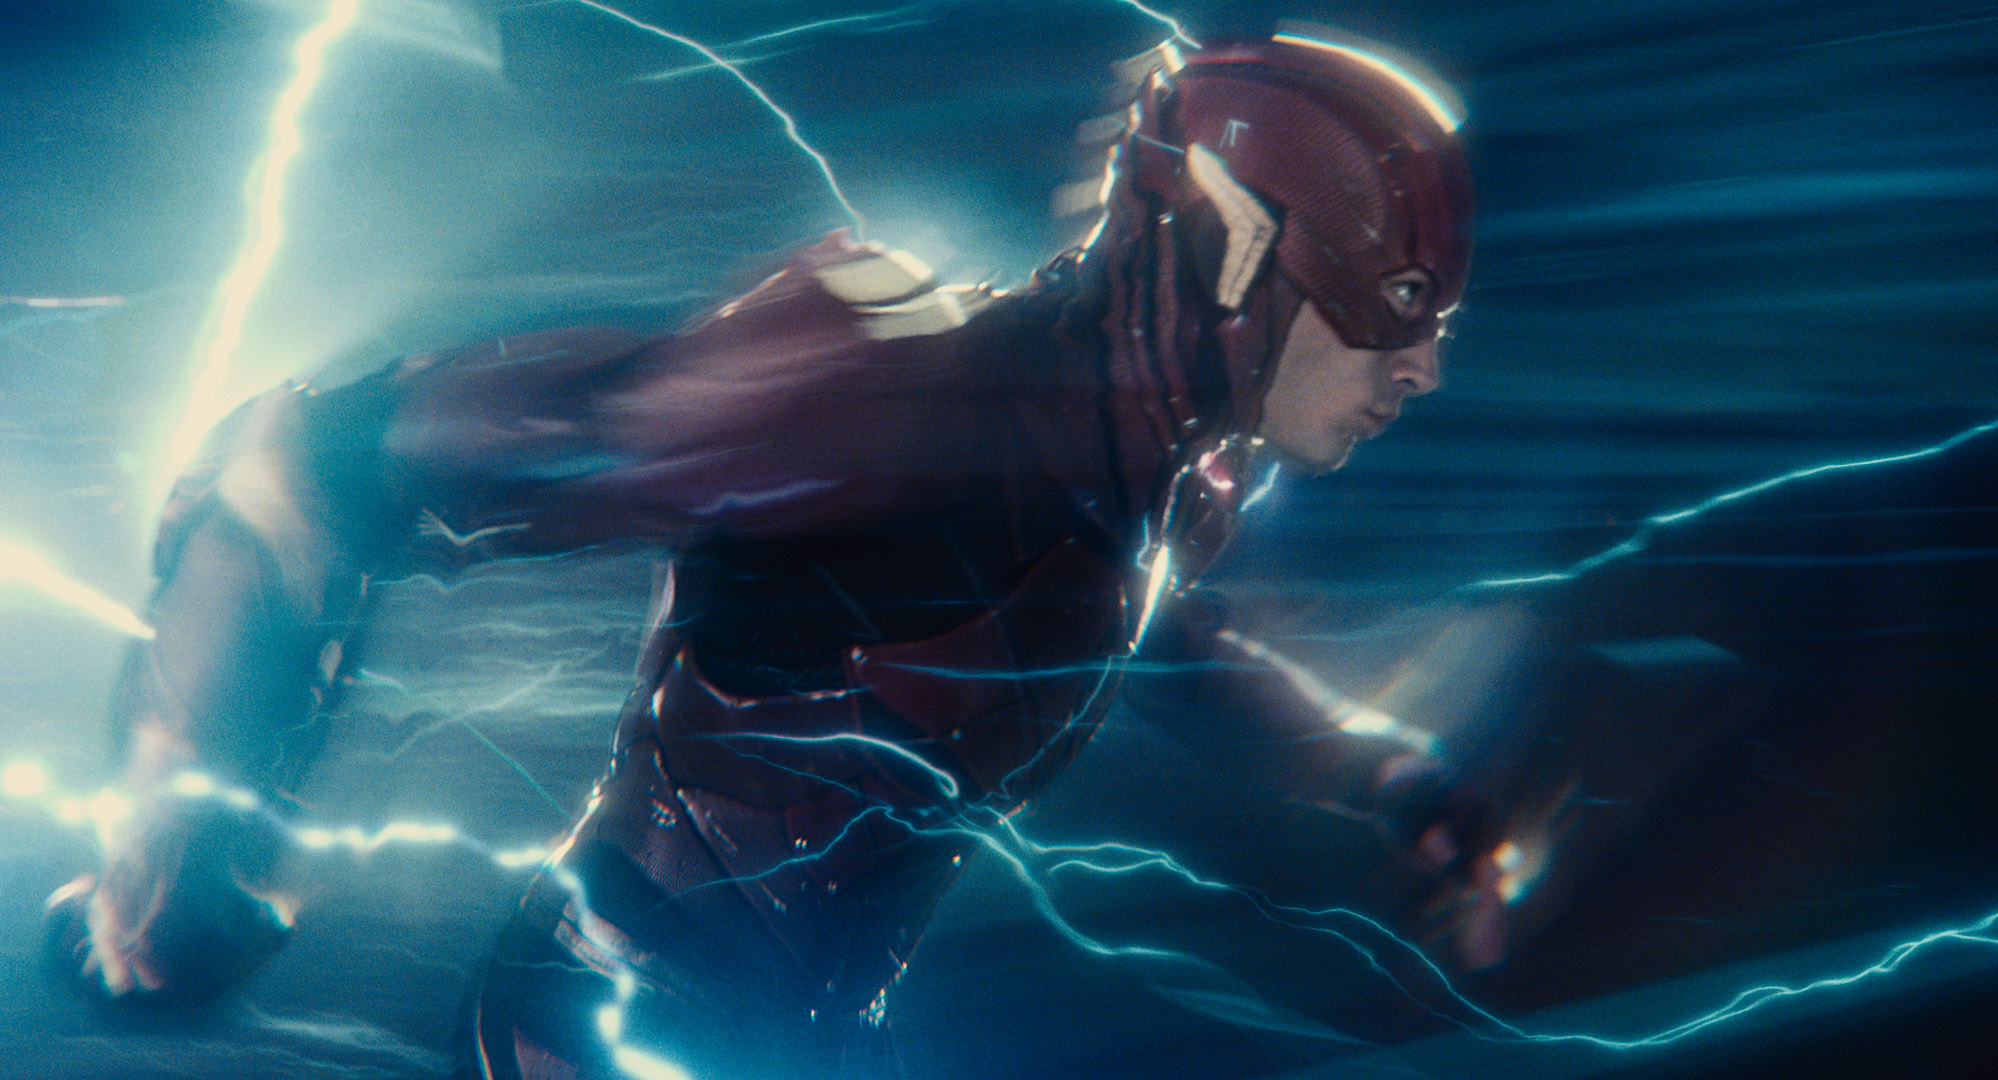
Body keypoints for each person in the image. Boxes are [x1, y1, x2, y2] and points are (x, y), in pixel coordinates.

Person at [50, 30, 1490, 1079]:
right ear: (1233, 249)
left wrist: (1380, 773)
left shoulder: (1183, 480)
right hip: (605, 1032)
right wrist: (178, 838)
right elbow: (306, 468)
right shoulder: (879, 384)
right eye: (1392, 304)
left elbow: (1151, 633)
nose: (1421, 368)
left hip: (807, 1040)